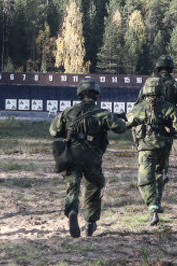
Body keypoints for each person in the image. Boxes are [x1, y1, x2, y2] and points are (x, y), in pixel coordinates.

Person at [49, 78, 127, 237]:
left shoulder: (68, 112)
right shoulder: (102, 113)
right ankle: (90, 222)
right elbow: (121, 128)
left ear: (80, 94)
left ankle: (72, 211)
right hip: (92, 157)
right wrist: (114, 119)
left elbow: (54, 131)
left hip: (72, 155)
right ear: (96, 95)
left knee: (73, 185)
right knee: (94, 186)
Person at [126, 77, 177, 225]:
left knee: (145, 178)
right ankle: (157, 201)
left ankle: (152, 207)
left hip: (146, 148)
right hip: (164, 148)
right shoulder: (169, 108)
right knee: (159, 173)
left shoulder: (138, 108)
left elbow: (126, 124)